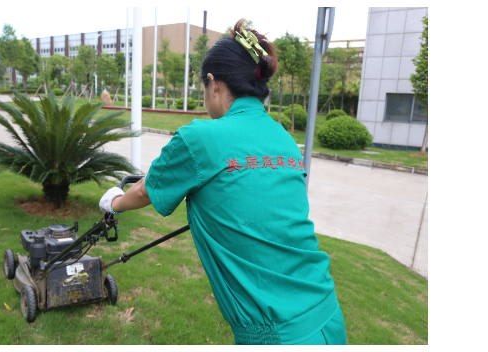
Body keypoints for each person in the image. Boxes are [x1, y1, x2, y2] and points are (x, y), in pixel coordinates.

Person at [99, 20, 347, 346]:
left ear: (214, 84)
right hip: (327, 313)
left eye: (203, 87)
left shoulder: (201, 137)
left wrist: (113, 202)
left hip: (277, 333)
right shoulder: (285, 140)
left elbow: (145, 190)